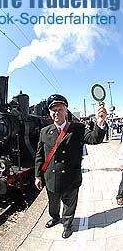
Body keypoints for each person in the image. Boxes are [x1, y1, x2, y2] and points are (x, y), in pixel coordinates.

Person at [35, 94, 107, 238]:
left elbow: (95, 139)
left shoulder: (78, 128)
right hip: (51, 178)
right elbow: (39, 155)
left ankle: (67, 225)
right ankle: (55, 218)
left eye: (60, 109)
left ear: (66, 110)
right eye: (53, 110)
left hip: (70, 177)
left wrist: (100, 122)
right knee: (53, 203)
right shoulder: (44, 131)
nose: (57, 112)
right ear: (49, 113)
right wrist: (37, 175)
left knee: (69, 205)